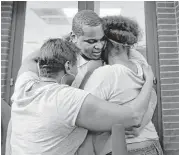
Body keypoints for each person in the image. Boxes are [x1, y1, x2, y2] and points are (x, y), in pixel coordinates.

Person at [8, 38, 154, 155]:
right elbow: (134, 117)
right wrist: (149, 81)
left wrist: (66, 42)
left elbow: (29, 59)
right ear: (67, 67)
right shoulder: (68, 98)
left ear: (41, 66)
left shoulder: (23, 85)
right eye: (76, 66)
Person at [81, 16, 163, 155]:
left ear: (108, 43)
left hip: (124, 149)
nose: (97, 46)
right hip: (153, 145)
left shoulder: (107, 73)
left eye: (100, 40)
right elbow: (151, 98)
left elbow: (82, 114)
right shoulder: (141, 68)